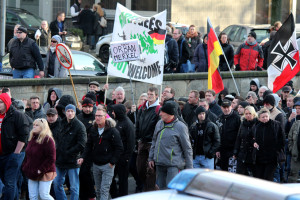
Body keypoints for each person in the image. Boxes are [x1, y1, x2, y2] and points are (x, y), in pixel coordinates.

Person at [78, 108, 123, 200]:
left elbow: (119, 148)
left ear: (105, 117)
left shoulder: (112, 131)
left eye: (100, 116)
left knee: (104, 189)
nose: (97, 118)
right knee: (98, 189)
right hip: (96, 164)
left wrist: (112, 162)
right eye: (96, 116)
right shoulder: (93, 130)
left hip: (107, 165)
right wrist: (83, 157)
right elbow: (88, 145)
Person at [148, 102, 193, 189]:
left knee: (171, 191)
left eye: (162, 112)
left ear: (170, 114)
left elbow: (187, 148)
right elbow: (154, 141)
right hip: (159, 164)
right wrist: (151, 158)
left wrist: (189, 168)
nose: (160, 114)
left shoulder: (181, 127)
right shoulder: (159, 123)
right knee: (161, 190)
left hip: (173, 166)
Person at [0, 93, 30, 199]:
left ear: (6, 103)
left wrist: (16, 153)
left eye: (0, 102)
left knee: (10, 181)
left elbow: (24, 135)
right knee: (6, 181)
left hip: (13, 153)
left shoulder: (17, 115)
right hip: (2, 154)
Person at [53, 104, 87, 200]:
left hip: (73, 160)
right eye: (68, 111)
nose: (70, 113)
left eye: (72, 111)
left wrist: (68, 152)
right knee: (57, 183)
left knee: (73, 187)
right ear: (65, 112)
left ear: (75, 112)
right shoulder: (61, 123)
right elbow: (56, 138)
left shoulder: (80, 126)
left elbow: (81, 144)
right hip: (60, 159)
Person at [22, 118, 56, 200]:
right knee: (32, 196)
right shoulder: (32, 139)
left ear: (43, 127)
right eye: (34, 125)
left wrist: (40, 170)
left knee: (44, 195)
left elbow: (51, 158)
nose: (34, 126)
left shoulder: (48, 140)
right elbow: (28, 155)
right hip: (32, 171)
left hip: (45, 172)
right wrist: (25, 167)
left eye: (37, 125)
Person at [136, 87, 161, 191]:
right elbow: (137, 124)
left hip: (151, 143)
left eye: (151, 94)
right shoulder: (143, 107)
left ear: (156, 96)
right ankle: (151, 188)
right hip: (142, 141)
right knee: (140, 168)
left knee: (151, 170)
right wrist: (137, 138)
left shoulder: (158, 109)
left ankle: (149, 191)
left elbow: (158, 127)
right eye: (148, 94)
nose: (149, 96)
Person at [253, 108, 285, 181]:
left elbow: (281, 139)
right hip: (259, 157)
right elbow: (251, 137)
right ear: (259, 118)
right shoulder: (256, 126)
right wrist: (254, 143)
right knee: (260, 178)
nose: (265, 118)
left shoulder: (276, 125)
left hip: (272, 157)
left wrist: (276, 150)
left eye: (266, 116)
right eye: (263, 117)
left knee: (268, 178)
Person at [110, 104, 135, 197]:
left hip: (123, 158)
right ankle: (115, 196)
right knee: (110, 178)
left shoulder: (127, 124)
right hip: (116, 156)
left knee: (123, 181)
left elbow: (131, 142)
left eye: (114, 111)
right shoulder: (118, 121)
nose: (112, 113)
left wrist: (127, 158)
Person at [77, 97, 97, 200]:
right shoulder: (79, 117)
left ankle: (91, 194)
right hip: (79, 148)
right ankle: (83, 195)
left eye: (90, 107)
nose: (88, 109)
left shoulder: (95, 118)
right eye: (85, 107)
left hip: (91, 149)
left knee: (86, 172)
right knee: (80, 174)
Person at [216, 99, 241, 171]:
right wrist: (218, 149)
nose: (226, 109)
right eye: (224, 107)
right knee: (223, 171)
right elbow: (217, 135)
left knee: (232, 172)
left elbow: (239, 136)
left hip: (233, 150)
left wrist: (236, 151)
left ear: (231, 106)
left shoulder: (237, 118)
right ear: (221, 107)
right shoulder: (219, 118)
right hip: (222, 150)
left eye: (228, 107)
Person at [233, 106, 257, 175]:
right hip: (243, 152)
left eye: (250, 113)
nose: (248, 115)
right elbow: (239, 138)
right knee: (240, 174)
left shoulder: (257, 124)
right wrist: (235, 152)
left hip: (253, 153)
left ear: (253, 114)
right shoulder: (242, 124)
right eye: (246, 114)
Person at [287, 101, 300, 183]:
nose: (298, 110)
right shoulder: (295, 122)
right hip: (295, 154)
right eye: (296, 108)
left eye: (299, 108)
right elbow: (289, 136)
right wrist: (292, 149)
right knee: (293, 175)